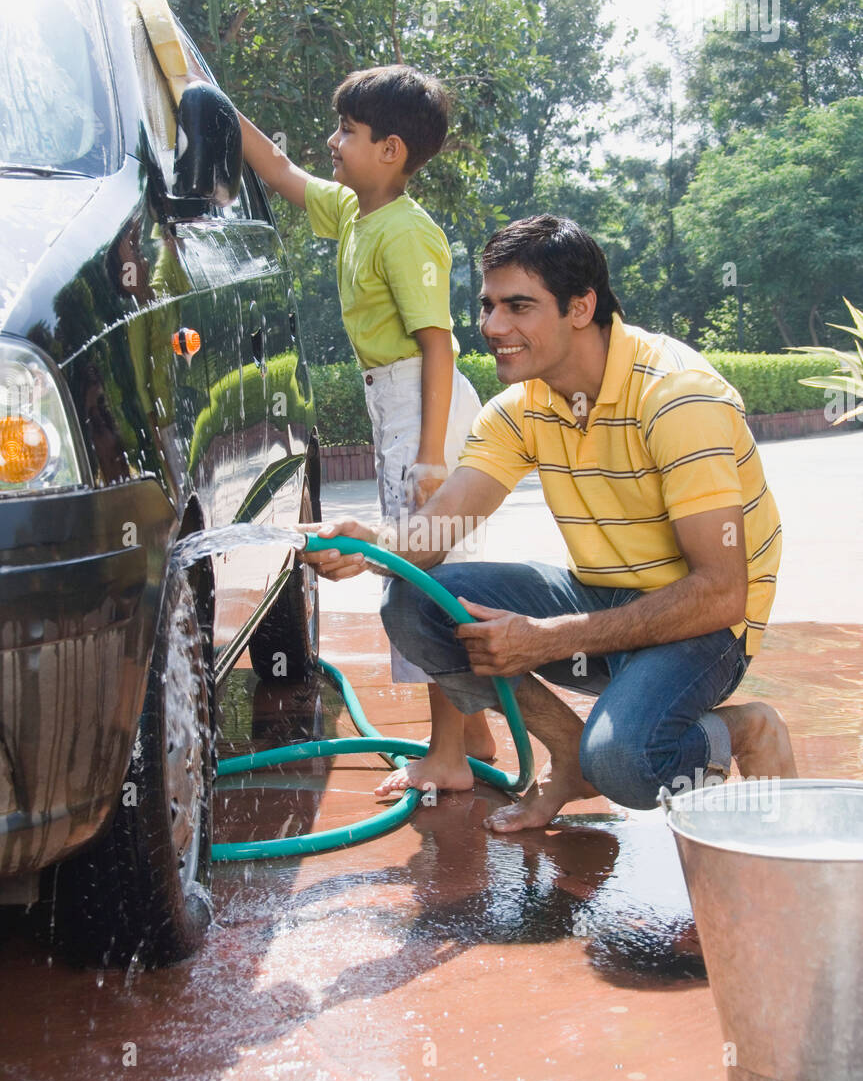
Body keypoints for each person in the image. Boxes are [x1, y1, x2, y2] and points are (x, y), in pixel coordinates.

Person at [304, 214, 798, 827]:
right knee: (412, 601)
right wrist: (374, 545)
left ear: (581, 307)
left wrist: (550, 637)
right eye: (488, 306)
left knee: (627, 762)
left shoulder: (677, 398)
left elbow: (723, 593)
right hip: (603, 596)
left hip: (702, 626)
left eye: (519, 307)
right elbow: (439, 527)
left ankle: (742, 730)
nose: (492, 327)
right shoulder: (525, 404)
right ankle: (569, 756)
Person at [205, 61, 495, 782]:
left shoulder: (405, 233)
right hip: (396, 405)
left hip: (421, 409)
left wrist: (429, 462)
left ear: (390, 151)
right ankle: (476, 737)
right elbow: (273, 166)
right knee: (434, 570)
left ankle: (447, 757)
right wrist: (205, 89)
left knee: (420, 577)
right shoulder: (352, 211)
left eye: (348, 131)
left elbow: (439, 345)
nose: (331, 141)